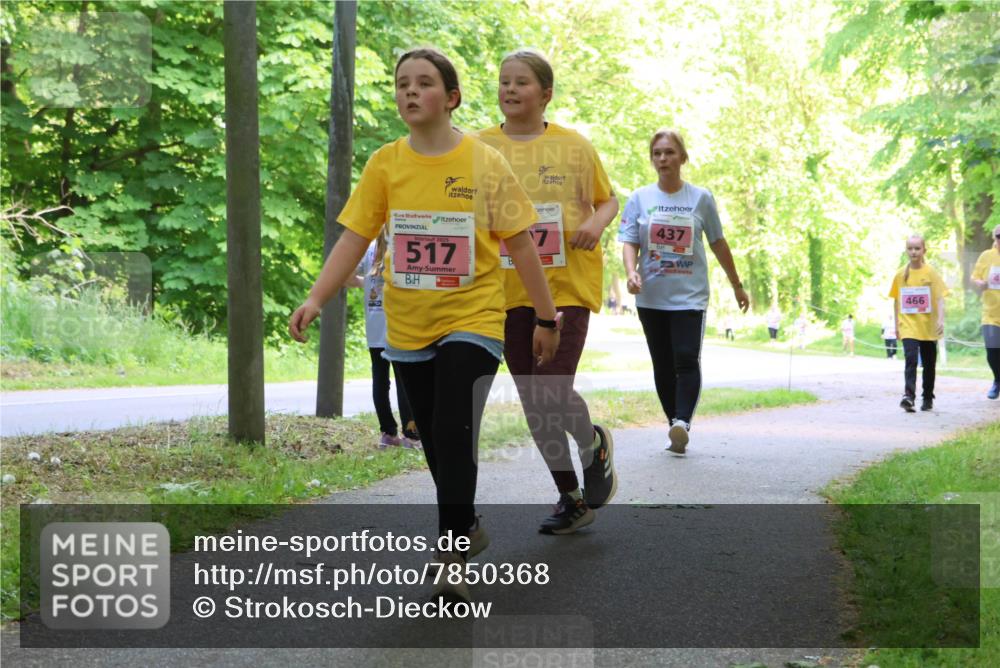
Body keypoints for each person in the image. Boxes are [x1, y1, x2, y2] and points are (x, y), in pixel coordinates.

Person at [289, 47, 560, 603]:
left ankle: (451, 546)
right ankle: (466, 523)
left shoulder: (484, 162)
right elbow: (355, 237)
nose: (410, 92)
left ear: (451, 97)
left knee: (455, 424)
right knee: (434, 435)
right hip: (406, 325)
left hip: (474, 316)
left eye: (424, 83)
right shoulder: (386, 164)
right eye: (401, 84)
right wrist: (318, 297)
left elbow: (521, 244)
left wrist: (546, 316)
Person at [477, 49, 619, 535]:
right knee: (533, 401)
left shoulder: (574, 147)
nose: (510, 90)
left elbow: (608, 200)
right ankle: (571, 498)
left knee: (550, 390)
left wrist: (596, 226)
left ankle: (593, 444)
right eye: (503, 82)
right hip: (504, 291)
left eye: (521, 82)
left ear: (545, 94)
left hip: (565, 286)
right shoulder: (478, 148)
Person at [619, 129, 749, 454]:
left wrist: (737, 284)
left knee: (686, 358)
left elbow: (718, 243)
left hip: (690, 296)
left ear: (683, 157)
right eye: (657, 153)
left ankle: (682, 421)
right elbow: (630, 241)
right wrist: (631, 272)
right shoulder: (640, 198)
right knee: (662, 364)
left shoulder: (700, 198)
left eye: (669, 152)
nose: (663, 159)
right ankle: (673, 424)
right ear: (652, 159)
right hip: (651, 297)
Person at [345, 233, 421, 449]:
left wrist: (366, 283)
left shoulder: (368, 249)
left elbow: (347, 277)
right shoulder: (405, 246)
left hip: (375, 327)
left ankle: (387, 433)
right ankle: (411, 435)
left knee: (380, 380)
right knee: (404, 381)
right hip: (400, 325)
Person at [888, 234, 947, 412]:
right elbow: (897, 301)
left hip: (928, 326)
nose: (913, 252)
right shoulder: (900, 275)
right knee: (911, 359)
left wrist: (940, 319)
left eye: (917, 248)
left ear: (924, 251)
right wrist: (897, 325)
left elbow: (939, 298)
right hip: (909, 326)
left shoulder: (931, 273)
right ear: (906, 250)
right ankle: (909, 396)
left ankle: (928, 396)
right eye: (910, 248)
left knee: (929, 364)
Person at [970, 223, 1000, 399]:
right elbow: (975, 277)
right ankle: (997, 380)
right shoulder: (986, 256)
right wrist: (979, 283)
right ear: (994, 238)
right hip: (990, 314)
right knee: (992, 351)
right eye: (998, 236)